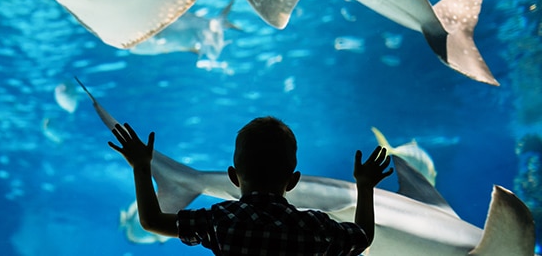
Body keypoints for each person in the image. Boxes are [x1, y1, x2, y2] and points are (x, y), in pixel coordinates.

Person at [109, 117, 393, 255]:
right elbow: (363, 237)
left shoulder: (222, 220)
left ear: (233, 177)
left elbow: (151, 221)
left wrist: (141, 166)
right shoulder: (314, 227)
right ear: (293, 181)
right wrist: (365, 186)